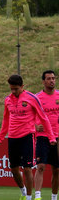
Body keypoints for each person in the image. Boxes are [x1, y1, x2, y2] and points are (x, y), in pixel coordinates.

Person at [0, 74, 56, 200]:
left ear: (22, 87)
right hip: (12, 137)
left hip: (27, 136)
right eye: (11, 89)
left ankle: (29, 197)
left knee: (28, 168)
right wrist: (0, 137)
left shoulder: (31, 98)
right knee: (13, 169)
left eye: (16, 89)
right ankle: (23, 191)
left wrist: (51, 137)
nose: (13, 91)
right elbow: (5, 120)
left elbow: (44, 118)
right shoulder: (8, 100)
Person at [34, 70, 59, 200]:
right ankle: (38, 196)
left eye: (53, 78)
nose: (52, 81)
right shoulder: (37, 98)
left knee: (56, 169)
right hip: (43, 136)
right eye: (49, 78)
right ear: (43, 81)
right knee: (41, 166)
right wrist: (34, 126)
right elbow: (28, 116)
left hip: (57, 136)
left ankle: (54, 197)